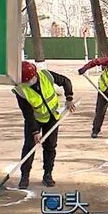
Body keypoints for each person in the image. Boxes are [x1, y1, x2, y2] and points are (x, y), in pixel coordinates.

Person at [13, 61, 76, 189]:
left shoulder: (46, 75)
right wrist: (35, 132)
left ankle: (48, 174)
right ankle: (25, 176)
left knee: (50, 147)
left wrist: (69, 98)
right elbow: (28, 113)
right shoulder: (21, 90)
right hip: (35, 119)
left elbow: (66, 81)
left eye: (31, 78)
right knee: (29, 147)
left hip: (53, 117)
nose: (30, 81)